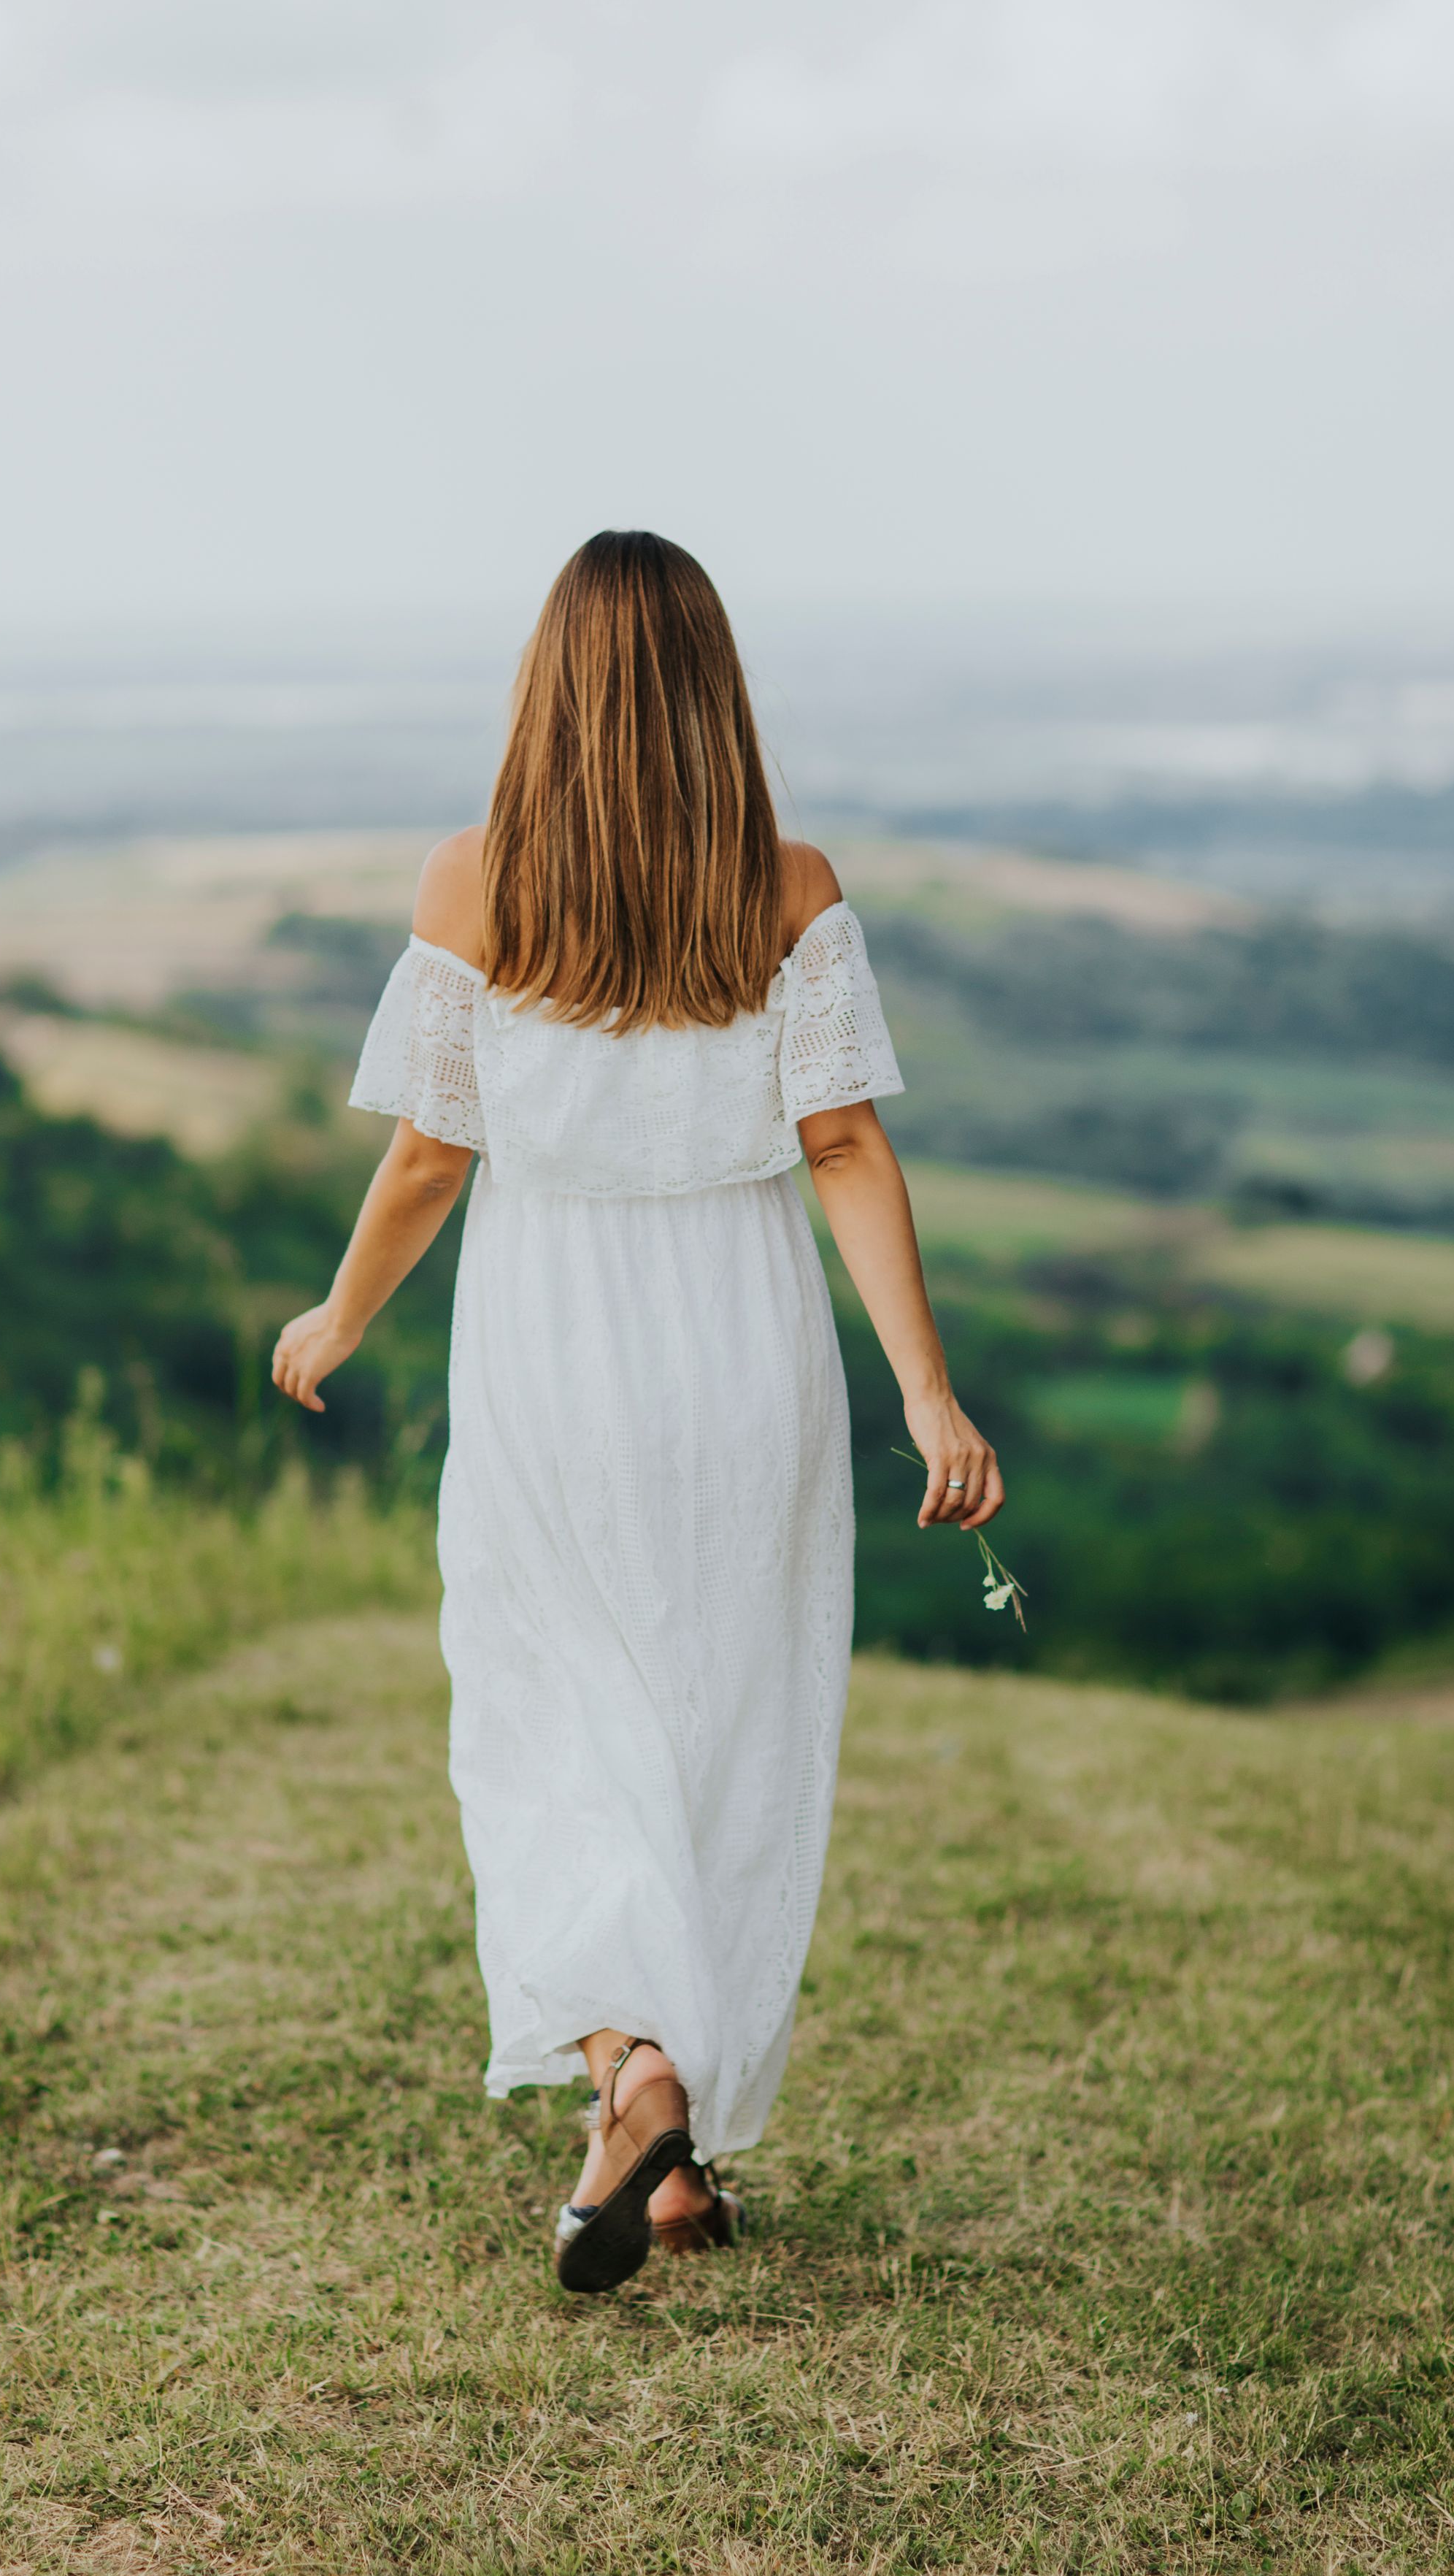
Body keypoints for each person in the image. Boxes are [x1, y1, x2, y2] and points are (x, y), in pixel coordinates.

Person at [272, 532, 1004, 2294]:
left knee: (550, 1722)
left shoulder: (474, 882)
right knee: (723, 1730)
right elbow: (844, 1145)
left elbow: (432, 1156)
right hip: (749, 1357)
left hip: (552, 1352)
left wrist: (339, 1312)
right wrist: (926, 1389)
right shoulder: (790, 885)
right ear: (711, 695)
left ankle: (631, 2073)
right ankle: (670, 2156)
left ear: (552, 694)